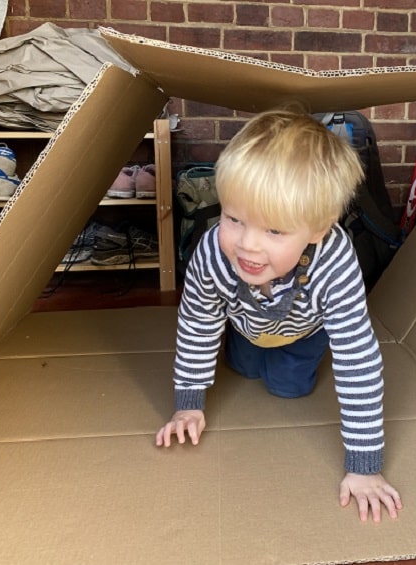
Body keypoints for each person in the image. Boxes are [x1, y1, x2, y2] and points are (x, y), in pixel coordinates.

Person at [155, 106, 402, 523]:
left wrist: (365, 467)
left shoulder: (335, 262)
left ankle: (279, 356)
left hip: (304, 330)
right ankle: (241, 347)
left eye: (274, 231)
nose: (248, 246)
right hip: (244, 322)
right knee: (245, 365)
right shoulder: (214, 252)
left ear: (318, 229)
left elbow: (357, 357)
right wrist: (188, 402)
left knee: (288, 388)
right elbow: (198, 322)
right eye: (235, 218)